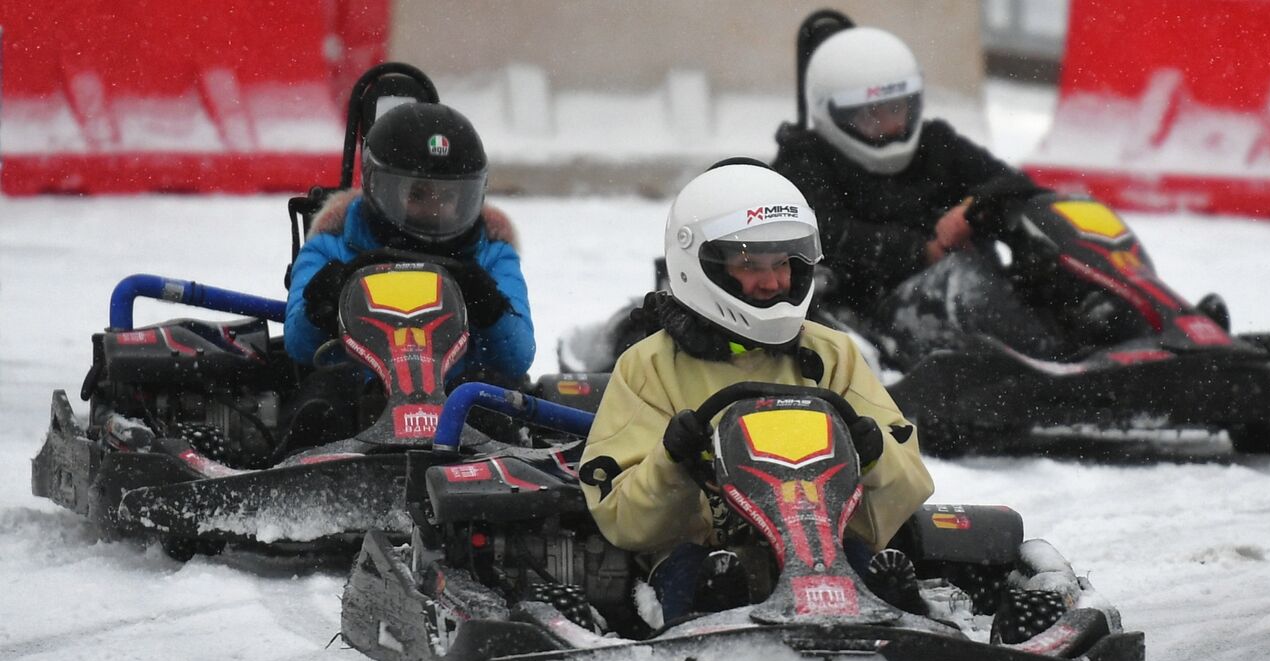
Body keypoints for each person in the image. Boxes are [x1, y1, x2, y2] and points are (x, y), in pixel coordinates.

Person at [578, 160, 934, 626]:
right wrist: (671, 463)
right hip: (703, 554)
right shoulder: (647, 368)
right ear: (700, 264)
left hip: (827, 551)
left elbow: (907, 490)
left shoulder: (834, 355)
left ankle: (894, 640)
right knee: (701, 581)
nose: (772, 282)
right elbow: (622, 519)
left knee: (876, 582)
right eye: (749, 264)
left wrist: (874, 455)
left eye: (783, 263)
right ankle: (707, 652)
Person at [772, 21, 1070, 367]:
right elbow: (825, 231)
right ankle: (1055, 366)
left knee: (1048, 229)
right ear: (836, 114)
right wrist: (920, 251)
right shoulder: (805, 159)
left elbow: (1015, 185)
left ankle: (1103, 327)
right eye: (873, 114)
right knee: (962, 279)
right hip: (873, 321)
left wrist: (972, 209)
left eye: (898, 108)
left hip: (974, 301)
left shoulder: (935, 144)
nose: (893, 125)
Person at [284, 101, 535, 413]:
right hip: (358, 399)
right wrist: (325, 299)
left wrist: (489, 307)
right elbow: (298, 345)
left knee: (493, 398)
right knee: (320, 401)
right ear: (379, 188)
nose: (435, 208)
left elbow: (517, 358)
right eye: (417, 195)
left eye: (448, 197)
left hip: (459, 402)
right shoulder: (332, 244)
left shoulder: (492, 252)